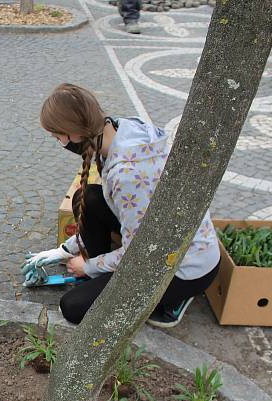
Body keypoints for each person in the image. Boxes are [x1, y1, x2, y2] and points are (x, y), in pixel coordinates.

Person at [23, 83, 220, 327]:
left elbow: (139, 251)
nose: (58, 142)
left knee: (73, 308)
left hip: (184, 268)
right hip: (160, 239)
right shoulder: (119, 127)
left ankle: (171, 302)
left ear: (74, 133)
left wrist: (89, 266)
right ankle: (108, 276)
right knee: (88, 198)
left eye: (57, 137)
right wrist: (65, 249)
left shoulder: (127, 175)